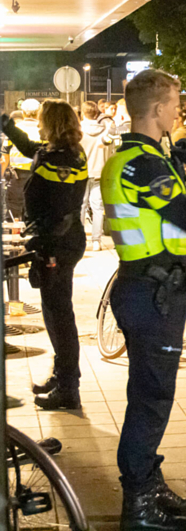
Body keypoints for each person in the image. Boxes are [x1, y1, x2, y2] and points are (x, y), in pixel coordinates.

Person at [100, 69, 186, 530]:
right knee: (150, 396)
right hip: (150, 293)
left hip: (151, 283)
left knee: (150, 393)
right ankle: (139, 501)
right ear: (158, 109)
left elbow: (164, 229)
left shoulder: (141, 158)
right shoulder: (140, 163)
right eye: (176, 102)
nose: (179, 111)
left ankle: (149, 480)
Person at [2, 101, 88, 410]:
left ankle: (68, 387)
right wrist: (6, 124)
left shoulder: (60, 161)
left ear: (51, 124)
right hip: (63, 241)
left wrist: (41, 242)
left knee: (59, 316)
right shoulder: (66, 152)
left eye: (41, 121)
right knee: (56, 313)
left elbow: (54, 207)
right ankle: (63, 374)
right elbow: (29, 148)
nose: (37, 125)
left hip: (57, 244)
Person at [80, 100, 115, 251]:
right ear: (97, 114)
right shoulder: (106, 131)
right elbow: (111, 152)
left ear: (83, 113)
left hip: (81, 173)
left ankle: (80, 239)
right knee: (98, 208)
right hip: (100, 172)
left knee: (81, 206)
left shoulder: (77, 130)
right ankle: (96, 241)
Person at [2, 98, 42, 221]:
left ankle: (15, 238)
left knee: (15, 209)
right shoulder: (44, 131)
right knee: (36, 208)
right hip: (39, 176)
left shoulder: (15, 130)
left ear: (23, 112)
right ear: (38, 112)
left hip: (17, 176)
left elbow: (5, 156)